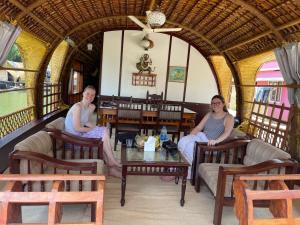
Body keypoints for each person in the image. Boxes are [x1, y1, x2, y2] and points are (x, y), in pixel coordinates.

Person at [64, 85, 121, 178]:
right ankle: (112, 162)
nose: (90, 97)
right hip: (73, 139)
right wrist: (95, 129)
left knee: (104, 132)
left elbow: (86, 121)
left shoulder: (91, 107)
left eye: (92, 95)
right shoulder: (77, 107)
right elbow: (77, 128)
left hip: (80, 135)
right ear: (83, 94)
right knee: (103, 132)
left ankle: (112, 167)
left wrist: (97, 128)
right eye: (87, 94)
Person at [178, 95, 234, 178]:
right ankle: (181, 166)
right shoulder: (209, 114)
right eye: (213, 103)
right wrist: (189, 137)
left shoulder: (229, 117)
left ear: (223, 104)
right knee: (182, 141)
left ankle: (190, 173)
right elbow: (198, 127)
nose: (215, 105)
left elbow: (227, 132)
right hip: (201, 137)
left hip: (212, 144)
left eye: (218, 103)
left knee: (190, 146)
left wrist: (216, 141)